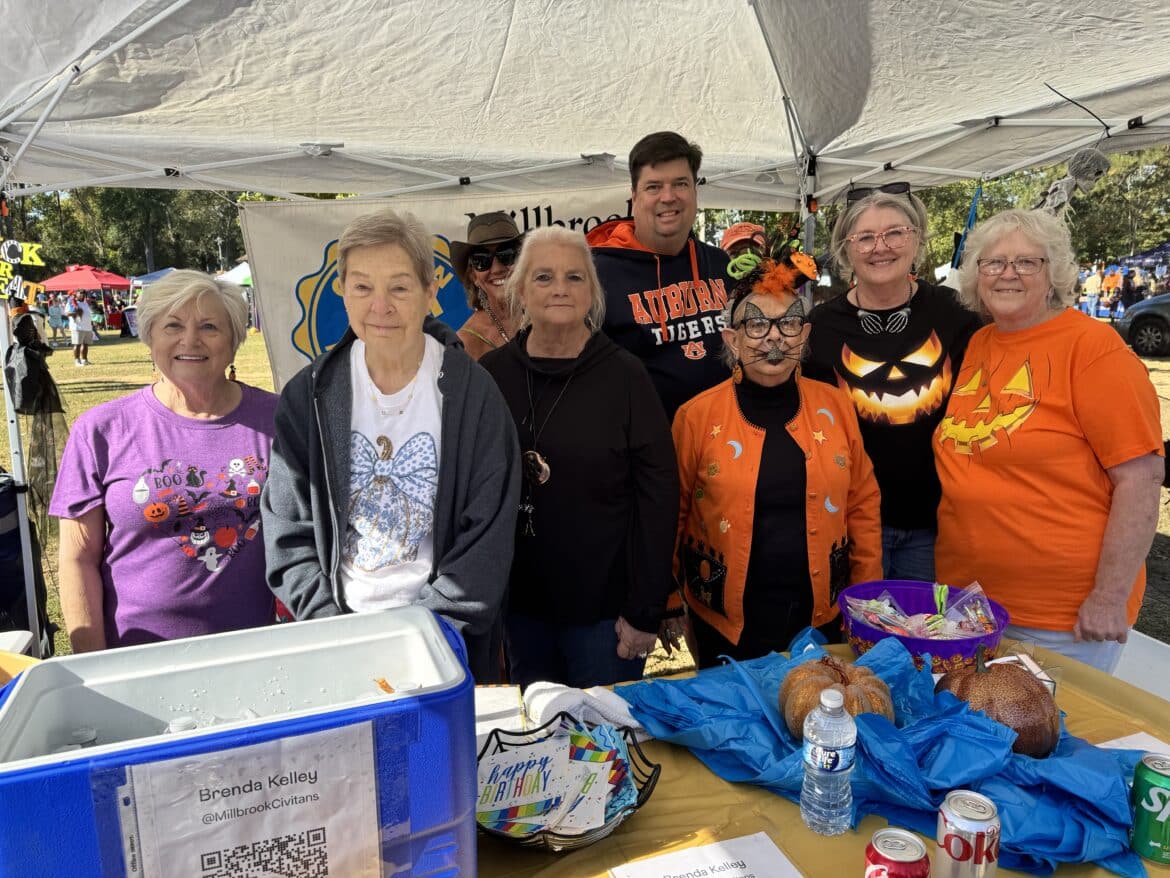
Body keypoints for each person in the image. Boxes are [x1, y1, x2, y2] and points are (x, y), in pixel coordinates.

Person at [262, 208, 520, 682]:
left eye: (399, 287)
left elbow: (488, 534)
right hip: (338, 645)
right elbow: (288, 531)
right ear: (342, 290)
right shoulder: (308, 397)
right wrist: (335, 630)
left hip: (446, 646)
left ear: (430, 291)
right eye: (362, 287)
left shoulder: (473, 394)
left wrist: (429, 633)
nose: (380, 307)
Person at [934, 209, 1164, 674]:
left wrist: (1109, 596)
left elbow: (1141, 479)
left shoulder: (1093, 349)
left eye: (1026, 262)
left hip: (1058, 616)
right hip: (967, 602)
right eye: (994, 262)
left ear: (1053, 273)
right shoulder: (980, 344)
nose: (1008, 274)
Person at [480, 227, 678, 689]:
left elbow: (659, 496)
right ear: (520, 290)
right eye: (544, 277)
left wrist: (645, 610)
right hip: (522, 613)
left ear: (592, 292)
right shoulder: (492, 375)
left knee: (603, 732)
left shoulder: (626, 376)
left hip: (605, 619)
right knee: (539, 729)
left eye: (574, 277)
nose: (560, 289)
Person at [670, 240, 882, 668]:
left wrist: (866, 599)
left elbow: (862, 504)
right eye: (755, 324)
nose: (773, 337)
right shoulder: (696, 416)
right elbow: (672, 513)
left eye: (788, 324)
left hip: (822, 615)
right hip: (724, 620)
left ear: (804, 336)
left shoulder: (836, 405)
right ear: (731, 340)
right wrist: (668, 597)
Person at [49, 271, 277, 651]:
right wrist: (92, 663)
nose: (190, 340)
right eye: (173, 325)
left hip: (253, 653)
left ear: (235, 339)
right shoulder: (100, 430)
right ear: (150, 336)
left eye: (209, 326)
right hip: (136, 654)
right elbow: (78, 558)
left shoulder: (278, 419)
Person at [805, 186, 981, 582]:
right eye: (865, 237)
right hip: (852, 520)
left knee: (923, 619)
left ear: (916, 239)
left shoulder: (956, 313)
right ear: (846, 249)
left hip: (933, 522)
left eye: (895, 233)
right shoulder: (819, 328)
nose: (880, 247)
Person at [587, 131, 732, 420]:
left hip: (724, 436)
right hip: (644, 442)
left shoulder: (720, 264)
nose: (668, 197)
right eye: (654, 187)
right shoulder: (596, 274)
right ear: (634, 197)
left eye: (680, 184)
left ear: (695, 191)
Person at [450, 211, 523, 360]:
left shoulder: (548, 316)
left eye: (507, 255)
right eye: (482, 260)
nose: (496, 269)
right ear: (473, 276)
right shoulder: (465, 344)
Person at [65, 291, 94, 366]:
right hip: (77, 327)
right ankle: (77, 361)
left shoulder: (86, 303)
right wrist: (76, 313)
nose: (82, 295)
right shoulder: (71, 303)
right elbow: (66, 313)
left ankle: (84, 360)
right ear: (76, 294)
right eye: (80, 293)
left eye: (83, 293)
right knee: (77, 344)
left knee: (85, 344)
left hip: (87, 327)